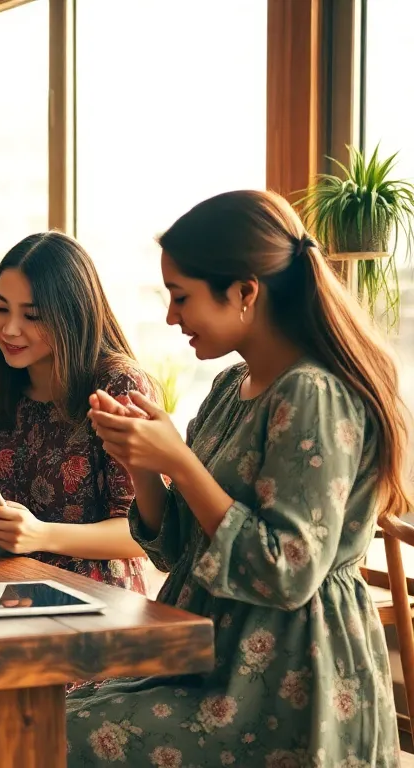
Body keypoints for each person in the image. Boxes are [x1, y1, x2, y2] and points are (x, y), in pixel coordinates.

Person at [70, 189, 407, 766]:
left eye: (181, 297)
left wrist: (180, 461)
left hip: (284, 684)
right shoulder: (232, 387)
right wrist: (144, 467)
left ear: (245, 292)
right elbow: (177, 550)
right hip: (205, 659)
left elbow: (288, 572)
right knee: (17, 724)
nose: (172, 317)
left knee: (34, 734)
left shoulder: (313, 395)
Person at [0, 231, 152, 594]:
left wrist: (40, 534)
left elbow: (142, 534)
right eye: (1, 307)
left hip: (96, 600)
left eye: (32, 315)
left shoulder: (119, 385)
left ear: (71, 315)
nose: (9, 329)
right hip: (6, 589)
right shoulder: (4, 384)